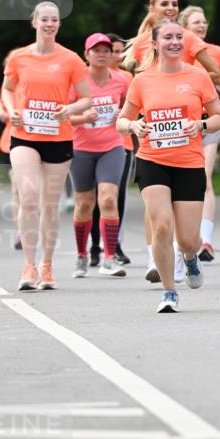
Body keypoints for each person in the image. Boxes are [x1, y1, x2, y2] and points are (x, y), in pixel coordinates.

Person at [116, 19, 220, 312]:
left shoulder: (198, 77)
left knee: (189, 240)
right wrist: (134, 126)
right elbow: (121, 120)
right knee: (162, 227)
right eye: (168, 37)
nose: (175, 41)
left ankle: (190, 259)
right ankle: (169, 292)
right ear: (155, 43)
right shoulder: (142, 80)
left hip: (189, 163)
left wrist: (201, 123)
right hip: (153, 160)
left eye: (180, 37)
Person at [1, 1, 91, 291]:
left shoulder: (71, 59)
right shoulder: (18, 57)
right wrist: (11, 109)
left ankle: (47, 265)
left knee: (49, 206)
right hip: (25, 134)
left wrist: (70, 108)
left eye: (54, 20)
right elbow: (6, 89)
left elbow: (86, 98)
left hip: (58, 137)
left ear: (58, 25)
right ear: (34, 22)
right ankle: (28, 266)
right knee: (28, 197)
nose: (50, 24)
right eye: (45, 19)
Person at [69, 33, 130, 279]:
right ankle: (81, 255)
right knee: (84, 203)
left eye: (106, 50)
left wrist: (123, 116)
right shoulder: (77, 82)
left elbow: (130, 107)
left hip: (112, 146)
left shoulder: (123, 80)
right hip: (81, 148)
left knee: (107, 199)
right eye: (97, 50)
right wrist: (83, 118)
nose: (102, 54)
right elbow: (62, 116)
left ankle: (109, 257)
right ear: (87, 54)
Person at [178, 5, 220, 261]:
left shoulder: (216, 52)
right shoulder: (178, 52)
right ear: (185, 26)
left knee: (205, 179)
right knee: (184, 183)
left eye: (204, 21)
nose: (202, 25)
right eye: (196, 22)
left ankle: (206, 240)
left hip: (207, 124)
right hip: (182, 126)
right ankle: (187, 236)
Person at [89, 34, 135, 267]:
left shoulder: (126, 78)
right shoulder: (89, 79)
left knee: (115, 197)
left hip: (122, 144)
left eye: (118, 51)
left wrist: (123, 116)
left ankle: (114, 245)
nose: (115, 55)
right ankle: (95, 246)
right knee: (95, 198)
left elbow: (136, 108)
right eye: (112, 51)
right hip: (92, 143)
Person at [0, 57, 21, 249]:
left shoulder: (40, 82)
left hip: (40, 142)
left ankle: (31, 224)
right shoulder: (8, 88)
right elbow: (0, 108)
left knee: (34, 191)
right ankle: (20, 231)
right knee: (17, 188)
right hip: (11, 142)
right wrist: (6, 114)